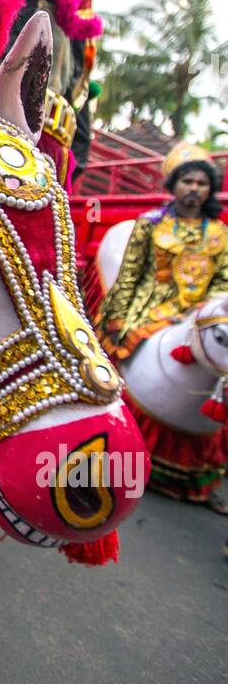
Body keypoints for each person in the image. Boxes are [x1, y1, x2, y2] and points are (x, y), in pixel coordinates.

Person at [97, 140, 228, 510]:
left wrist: (207, 305)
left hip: (200, 311)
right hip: (151, 306)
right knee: (120, 346)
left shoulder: (220, 234)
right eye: (187, 181)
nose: (194, 189)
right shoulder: (149, 225)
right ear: (174, 184)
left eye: (202, 183)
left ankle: (198, 475)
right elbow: (130, 276)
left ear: (209, 189)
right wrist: (115, 319)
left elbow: (223, 281)